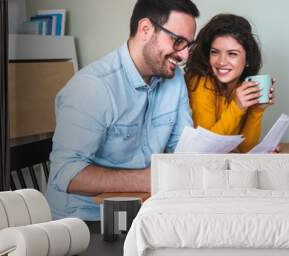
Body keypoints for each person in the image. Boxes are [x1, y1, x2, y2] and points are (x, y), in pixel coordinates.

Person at [46, 0, 199, 220]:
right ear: (145, 29)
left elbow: (182, 148)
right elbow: (65, 174)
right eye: (178, 41)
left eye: (188, 46)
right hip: (86, 222)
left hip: (143, 213)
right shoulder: (93, 86)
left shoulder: (175, 79)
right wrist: (149, 178)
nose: (184, 55)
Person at [185, 14, 275, 153]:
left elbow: (246, 148)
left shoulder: (240, 85)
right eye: (215, 52)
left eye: (232, 54)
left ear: (248, 59)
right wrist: (238, 107)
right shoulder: (201, 82)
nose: (221, 62)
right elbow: (206, 148)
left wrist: (256, 110)